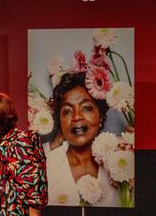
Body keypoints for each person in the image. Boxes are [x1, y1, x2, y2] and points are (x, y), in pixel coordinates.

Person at [47, 72, 120, 206]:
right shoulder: (46, 165)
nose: (76, 117)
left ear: (101, 116)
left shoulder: (121, 163)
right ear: (60, 121)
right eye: (67, 111)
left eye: (86, 108)